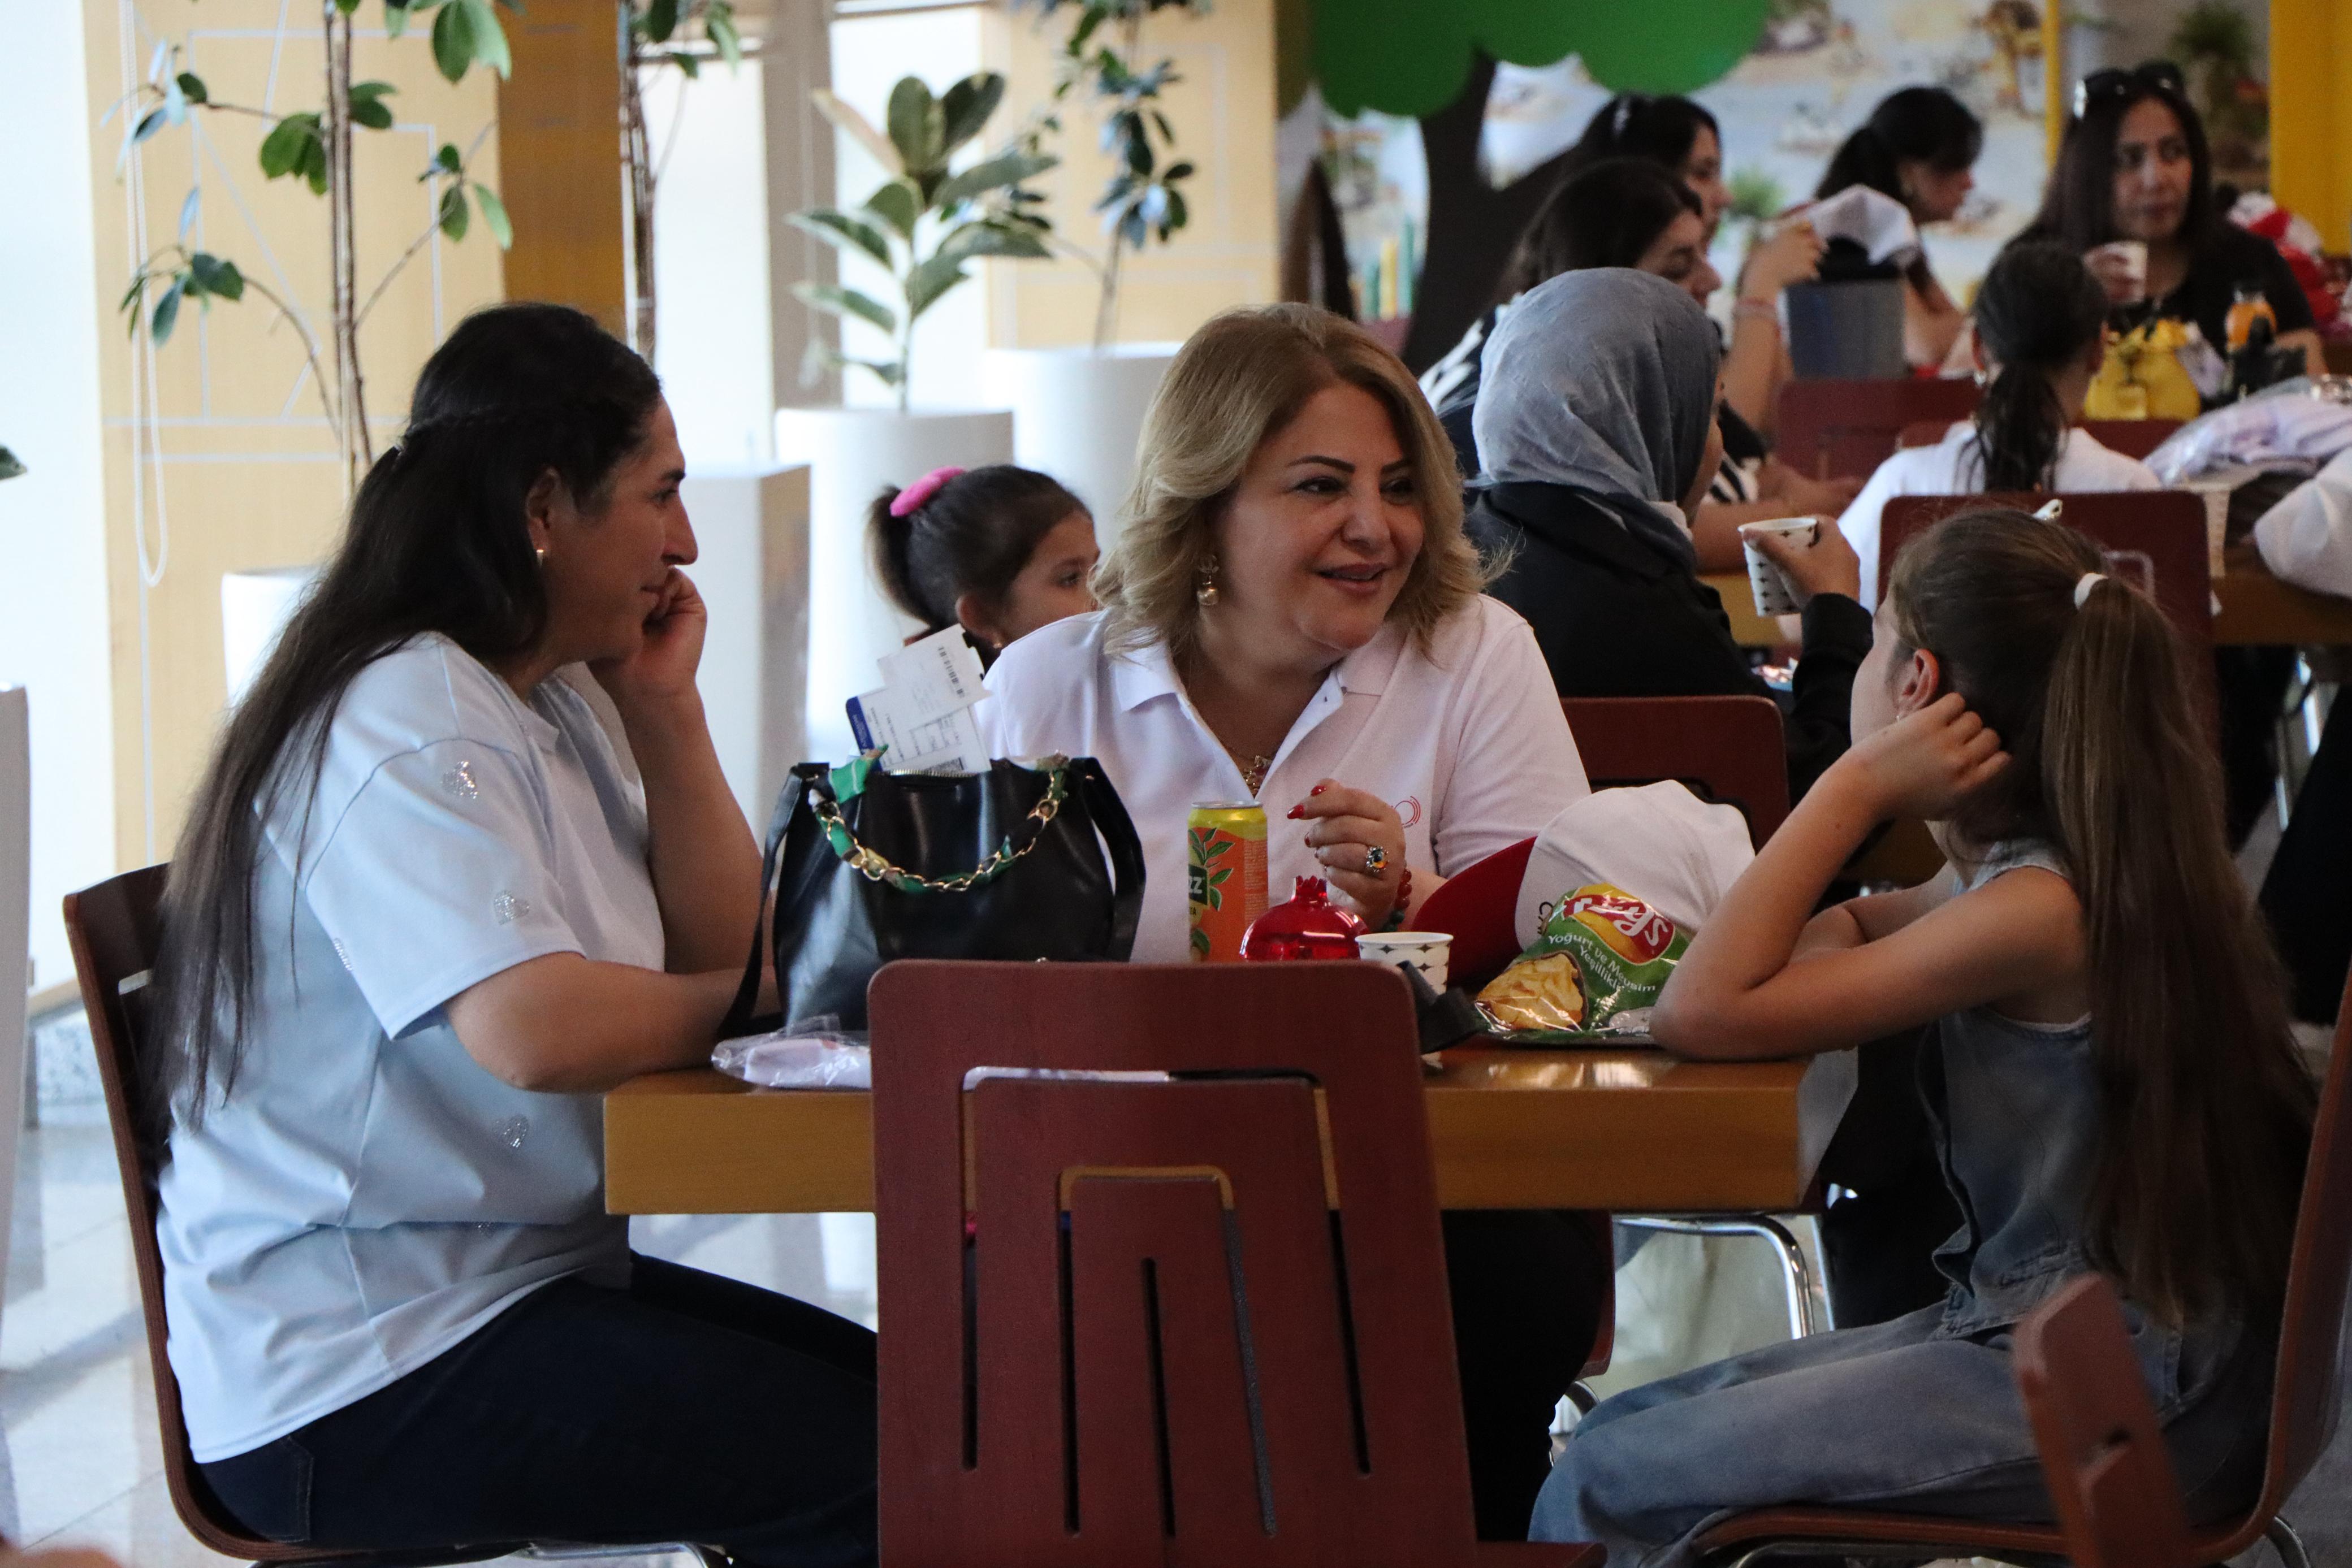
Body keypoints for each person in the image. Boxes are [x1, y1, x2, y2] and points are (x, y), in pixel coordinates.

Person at [148, 304, 878, 1566]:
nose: (686, 541)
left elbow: (713, 946)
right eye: (661, 493)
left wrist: (666, 714)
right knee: (889, 1465)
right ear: (545, 507)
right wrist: (773, 989)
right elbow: (535, 1028)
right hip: (358, 1360)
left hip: (503, 1287)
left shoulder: (544, 697)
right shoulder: (403, 711)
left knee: (920, 1419)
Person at [1530, 508, 2315, 1566]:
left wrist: (1853, 786)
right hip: (2087, 1342)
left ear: (1916, 684)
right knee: (1619, 1433)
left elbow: (1697, 1011)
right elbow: (1846, 930)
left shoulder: (2039, 911)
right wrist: (1792, 959)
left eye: (1876, 637)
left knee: (1606, 1477)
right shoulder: (2044, 869)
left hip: (2127, 1387)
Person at [982, 302, 1605, 1540]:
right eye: (1321, 486)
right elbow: (981, 989)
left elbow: (1570, 955)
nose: (1374, 526)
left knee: (1473, 1301)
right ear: (1206, 503)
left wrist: (1415, 905)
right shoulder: (1053, 685)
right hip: (1121, 1188)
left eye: (1397, 487)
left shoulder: (1473, 652)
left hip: (1429, 1190)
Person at [1467, 269, 1871, 805]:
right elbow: (1811, 795)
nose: (1717, 447)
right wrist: (1834, 610)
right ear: (1652, 423)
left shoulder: (1471, 542)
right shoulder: (1641, 606)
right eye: (1710, 412)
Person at [1420, 158, 1860, 569]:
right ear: (1603, 284)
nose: (1712, 279)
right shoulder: (1520, 390)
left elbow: (1744, 455)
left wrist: (1779, 487)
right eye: (1678, 268)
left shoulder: (1637, 366)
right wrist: (1792, 511)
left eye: (1705, 253)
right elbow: (1626, 529)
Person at [1836, 242, 2158, 610]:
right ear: (2099, 350)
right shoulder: (2134, 488)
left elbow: (1814, 607)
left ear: (1977, 348)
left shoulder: (1903, 483)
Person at [2020, 60, 2321, 384]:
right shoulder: (2029, 274)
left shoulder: (2249, 264)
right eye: (2128, 160)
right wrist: (2067, 304)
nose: (2156, 179)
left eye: (2173, 152)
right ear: (2085, 174)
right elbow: (2004, 394)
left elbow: (2309, 394)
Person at [1553, 92, 1822, 444]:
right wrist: (1760, 290)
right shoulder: (1582, 350)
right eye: (1703, 173)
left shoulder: (1689, 325)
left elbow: (1781, 422)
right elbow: (1723, 437)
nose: (1725, 196)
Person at [1814, 86, 1983, 369]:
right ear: (1907, 170)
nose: (1969, 182)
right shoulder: (1853, 230)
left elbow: (1957, 327)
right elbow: (1927, 344)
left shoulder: (1892, 237)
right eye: (1954, 165)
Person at [867, 462, 1097, 664]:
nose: (1102, 590)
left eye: (1097, 569)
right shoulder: (1005, 703)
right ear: (983, 616)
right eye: (1070, 579)